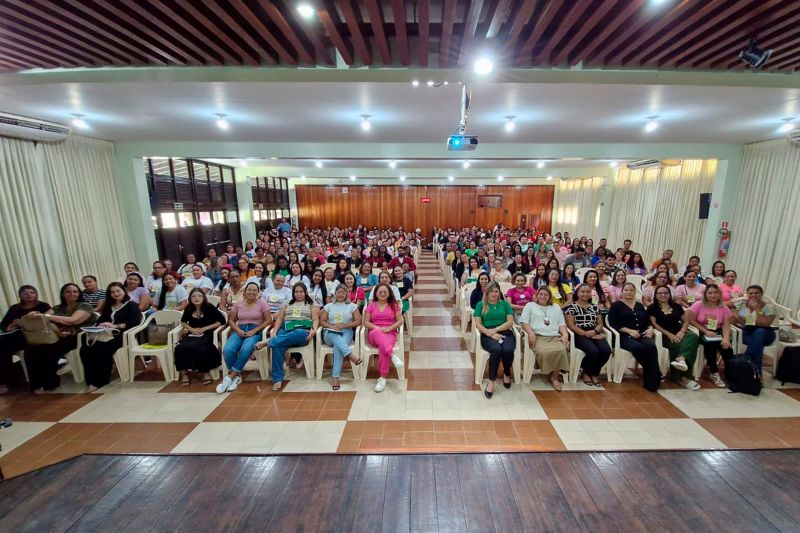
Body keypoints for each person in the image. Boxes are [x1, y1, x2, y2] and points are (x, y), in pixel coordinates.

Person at [25, 283, 97, 393]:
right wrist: (38, 315)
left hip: (78, 337)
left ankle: (49, 383)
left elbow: (73, 321)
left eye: (75, 291)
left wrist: (48, 317)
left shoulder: (84, 306)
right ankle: (36, 384)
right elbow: (43, 320)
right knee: (31, 350)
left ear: (79, 293)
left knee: (48, 349)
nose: (72, 294)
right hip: (59, 336)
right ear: (63, 294)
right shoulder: (58, 308)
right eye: (68, 292)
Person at [79, 282, 142, 392]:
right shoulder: (109, 306)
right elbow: (100, 320)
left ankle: (101, 380)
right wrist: (100, 325)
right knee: (85, 349)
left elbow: (135, 322)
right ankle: (90, 381)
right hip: (105, 334)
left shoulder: (131, 304)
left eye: (118, 291)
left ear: (123, 291)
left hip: (122, 335)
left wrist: (116, 326)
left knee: (102, 349)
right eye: (112, 292)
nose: (116, 294)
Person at [261, 283, 320, 391]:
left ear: (306, 292)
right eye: (296, 292)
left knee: (299, 333)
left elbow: (316, 319)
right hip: (286, 328)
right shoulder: (287, 303)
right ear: (293, 293)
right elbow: (280, 319)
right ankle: (277, 378)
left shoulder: (312, 303)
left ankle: (268, 342)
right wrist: (275, 331)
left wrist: (314, 330)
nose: (298, 294)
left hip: (302, 330)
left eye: (301, 292)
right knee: (277, 347)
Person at [217, 282, 272, 394]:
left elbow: (269, 320)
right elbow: (231, 320)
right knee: (227, 350)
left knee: (245, 349)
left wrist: (255, 330)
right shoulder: (238, 304)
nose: (251, 292)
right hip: (240, 330)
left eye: (254, 290)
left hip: (255, 331)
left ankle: (231, 377)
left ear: (258, 292)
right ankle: (237, 376)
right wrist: (238, 330)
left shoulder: (262, 304)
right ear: (245, 291)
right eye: (249, 290)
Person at [607, 282, 661, 392]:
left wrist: (650, 328)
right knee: (638, 348)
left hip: (641, 334)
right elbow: (613, 323)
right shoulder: (616, 305)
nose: (629, 292)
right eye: (626, 290)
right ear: (622, 292)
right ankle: (654, 373)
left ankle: (652, 378)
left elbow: (647, 321)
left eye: (631, 290)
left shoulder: (639, 305)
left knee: (651, 346)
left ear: (635, 292)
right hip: (624, 336)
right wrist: (629, 331)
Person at [647, 286, 701, 390]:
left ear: (670, 294)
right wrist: (668, 334)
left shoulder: (677, 306)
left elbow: (686, 321)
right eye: (660, 293)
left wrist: (682, 331)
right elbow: (654, 324)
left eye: (666, 293)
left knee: (693, 336)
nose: (663, 295)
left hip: (679, 333)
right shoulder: (652, 308)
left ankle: (681, 359)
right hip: (664, 336)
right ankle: (684, 377)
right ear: (656, 295)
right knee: (686, 347)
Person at [0, 286, 51, 394]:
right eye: (25, 293)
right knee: (2, 347)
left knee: (29, 351)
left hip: (37, 335)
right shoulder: (14, 308)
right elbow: (4, 325)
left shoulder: (43, 306)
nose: (29, 295)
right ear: (20, 296)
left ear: (36, 294)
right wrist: (12, 325)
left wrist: (24, 323)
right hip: (18, 336)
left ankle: (36, 383)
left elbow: (49, 322)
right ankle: (4, 381)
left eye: (32, 292)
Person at [520, 286, 570, 391]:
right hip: (537, 336)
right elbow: (524, 322)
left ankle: (554, 377)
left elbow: (562, 324)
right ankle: (548, 371)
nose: (543, 297)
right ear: (537, 295)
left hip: (553, 336)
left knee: (562, 350)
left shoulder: (556, 307)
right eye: (541, 294)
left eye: (546, 295)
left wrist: (565, 334)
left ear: (550, 296)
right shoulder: (530, 306)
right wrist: (531, 333)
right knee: (543, 351)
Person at [474, 281, 516, 398]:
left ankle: (507, 372)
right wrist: (489, 333)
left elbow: (510, 322)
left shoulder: (505, 304)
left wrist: (496, 330)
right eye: (491, 291)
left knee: (508, 349)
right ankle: (491, 381)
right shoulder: (480, 304)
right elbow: (478, 324)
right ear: (487, 292)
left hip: (505, 332)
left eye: (496, 291)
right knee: (496, 349)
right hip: (487, 334)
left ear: (499, 292)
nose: (494, 293)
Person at [564, 284, 612, 387]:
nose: (585, 294)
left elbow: (600, 324)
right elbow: (571, 326)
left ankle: (593, 373)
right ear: (577, 293)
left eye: (588, 292)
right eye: (582, 292)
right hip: (578, 334)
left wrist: (594, 331)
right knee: (593, 351)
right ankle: (586, 372)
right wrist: (587, 334)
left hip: (594, 332)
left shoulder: (595, 307)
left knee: (606, 350)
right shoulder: (571, 308)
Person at [687, 284, 734, 388]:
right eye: (710, 293)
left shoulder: (723, 307)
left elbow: (726, 325)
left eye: (716, 292)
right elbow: (691, 320)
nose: (713, 295)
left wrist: (726, 339)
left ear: (720, 294)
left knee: (727, 348)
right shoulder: (698, 305)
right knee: (710, 346)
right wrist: (705, 331)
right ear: (705, 294)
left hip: (718, 332)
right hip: (702, 331)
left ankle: (730, 373)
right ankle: (714, 373)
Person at [174, 289, 223, 387]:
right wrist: (191, 329)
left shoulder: (209, 307)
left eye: (199, 296)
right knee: (179, 347)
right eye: (193, 296)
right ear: (190, 298)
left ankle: (205, 371)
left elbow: (222, 321)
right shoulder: (189, 308)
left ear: (203, 297)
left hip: (207, 334)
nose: (196, 298)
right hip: (192, 334)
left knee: (201, 348)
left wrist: (205, 328)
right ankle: (184, 374)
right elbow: (183, 322)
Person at [363, 284, 405, 393]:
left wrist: (389, 328)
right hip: (374, 333)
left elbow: (400, 321)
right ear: (376, 293)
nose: (382, 294)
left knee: (383, 349)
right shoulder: (371, 305)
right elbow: (366, 322)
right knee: (379, 335)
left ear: (389, 293)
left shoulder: (394, 305)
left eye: (385, 292)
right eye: (380, 292)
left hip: (390, 333)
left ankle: (383, 378)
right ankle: (393, 356)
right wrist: (378, 328)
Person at [320, 285, 362, 390]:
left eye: (343, 292)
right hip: (330, 333)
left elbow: (358, 321)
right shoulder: (329, 306)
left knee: (337, 348)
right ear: (335, 294)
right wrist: (331, 326)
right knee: (333, 334)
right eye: (338, 292)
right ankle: (350, 354)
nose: (340, 294)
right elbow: (322, 321)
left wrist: (345, 325)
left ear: (347, 294)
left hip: (346, 332)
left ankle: (335, 377)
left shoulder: (352, 306)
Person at [734, 285, 776, 376]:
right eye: (751, 293)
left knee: (759, 332)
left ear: (761, 294)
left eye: (756, 293)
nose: (753, 295)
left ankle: (745, 360)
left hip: (766, 333)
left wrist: (757, 308)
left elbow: (764, 324)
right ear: (747, 294)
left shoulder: (769, 307)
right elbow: (725, 307)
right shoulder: (742, 304)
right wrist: (736, 317)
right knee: (758, 346)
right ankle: (756, 374)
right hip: (747, 332)